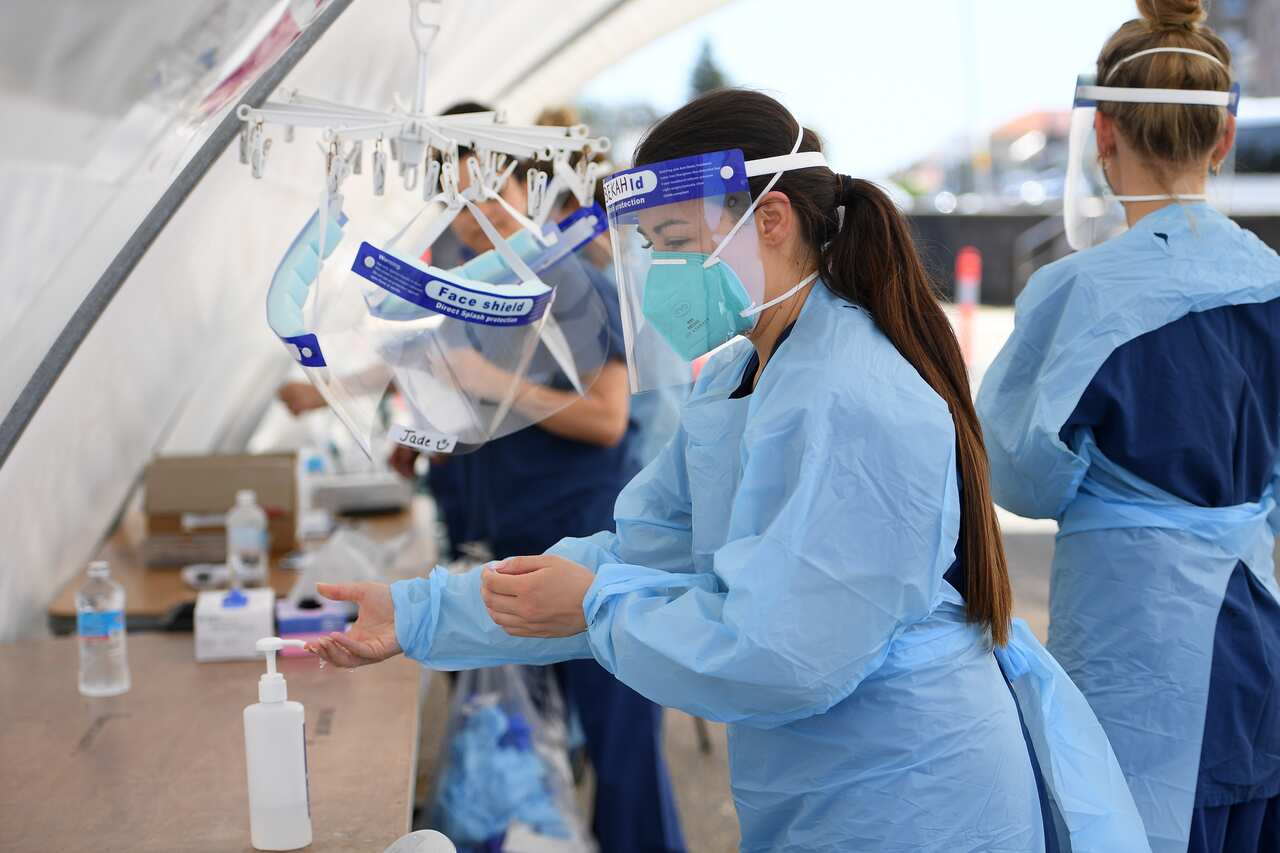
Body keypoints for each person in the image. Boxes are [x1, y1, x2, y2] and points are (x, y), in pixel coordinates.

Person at [307, 90, 1150, 851]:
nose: (662, 273)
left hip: (912, 791)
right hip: (816, 783)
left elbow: (781, 655)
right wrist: (418, 612)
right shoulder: (737, 377)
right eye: (650, 248)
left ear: (770, 218)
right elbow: (636, 550)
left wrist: (597, 607)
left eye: (675, 242)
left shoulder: (853, 396)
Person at [976, 3, 1280, 852]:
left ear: (1102, 133)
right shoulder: (1274, 285)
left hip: (1133, 654)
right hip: (1257, 639)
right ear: (1222, 139)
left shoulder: (1077, 295)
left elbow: (1019, 476)